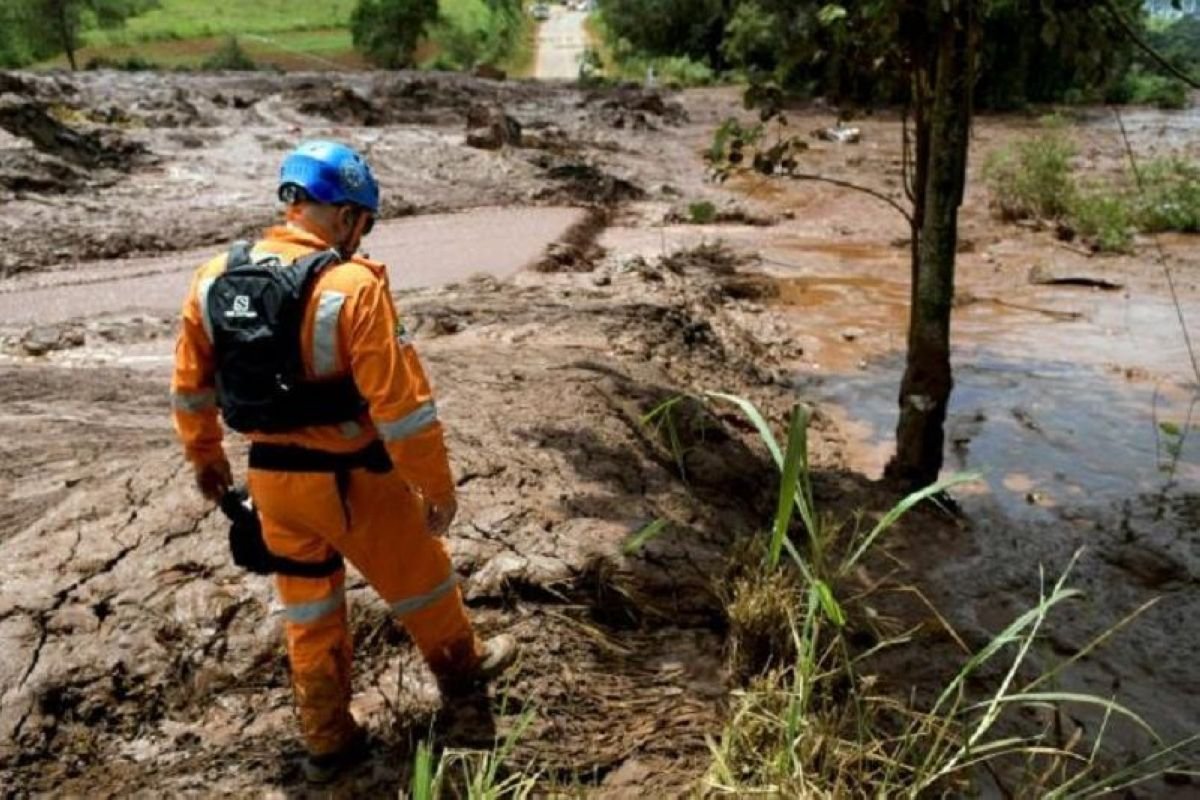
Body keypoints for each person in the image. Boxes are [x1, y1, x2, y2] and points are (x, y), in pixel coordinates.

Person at [170, 140, 516, 783]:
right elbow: (403, 408)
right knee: (423, 580)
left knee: (307, 613)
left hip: (271, 483)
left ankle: (327, 738)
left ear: (293, 201)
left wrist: (205, 458)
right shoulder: (352, 287)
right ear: (349, 213)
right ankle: (462, 672)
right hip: (356, 480)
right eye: (365, 222)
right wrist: (436, 487)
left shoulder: (214, 276)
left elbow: (191, 383)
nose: (362, 236)